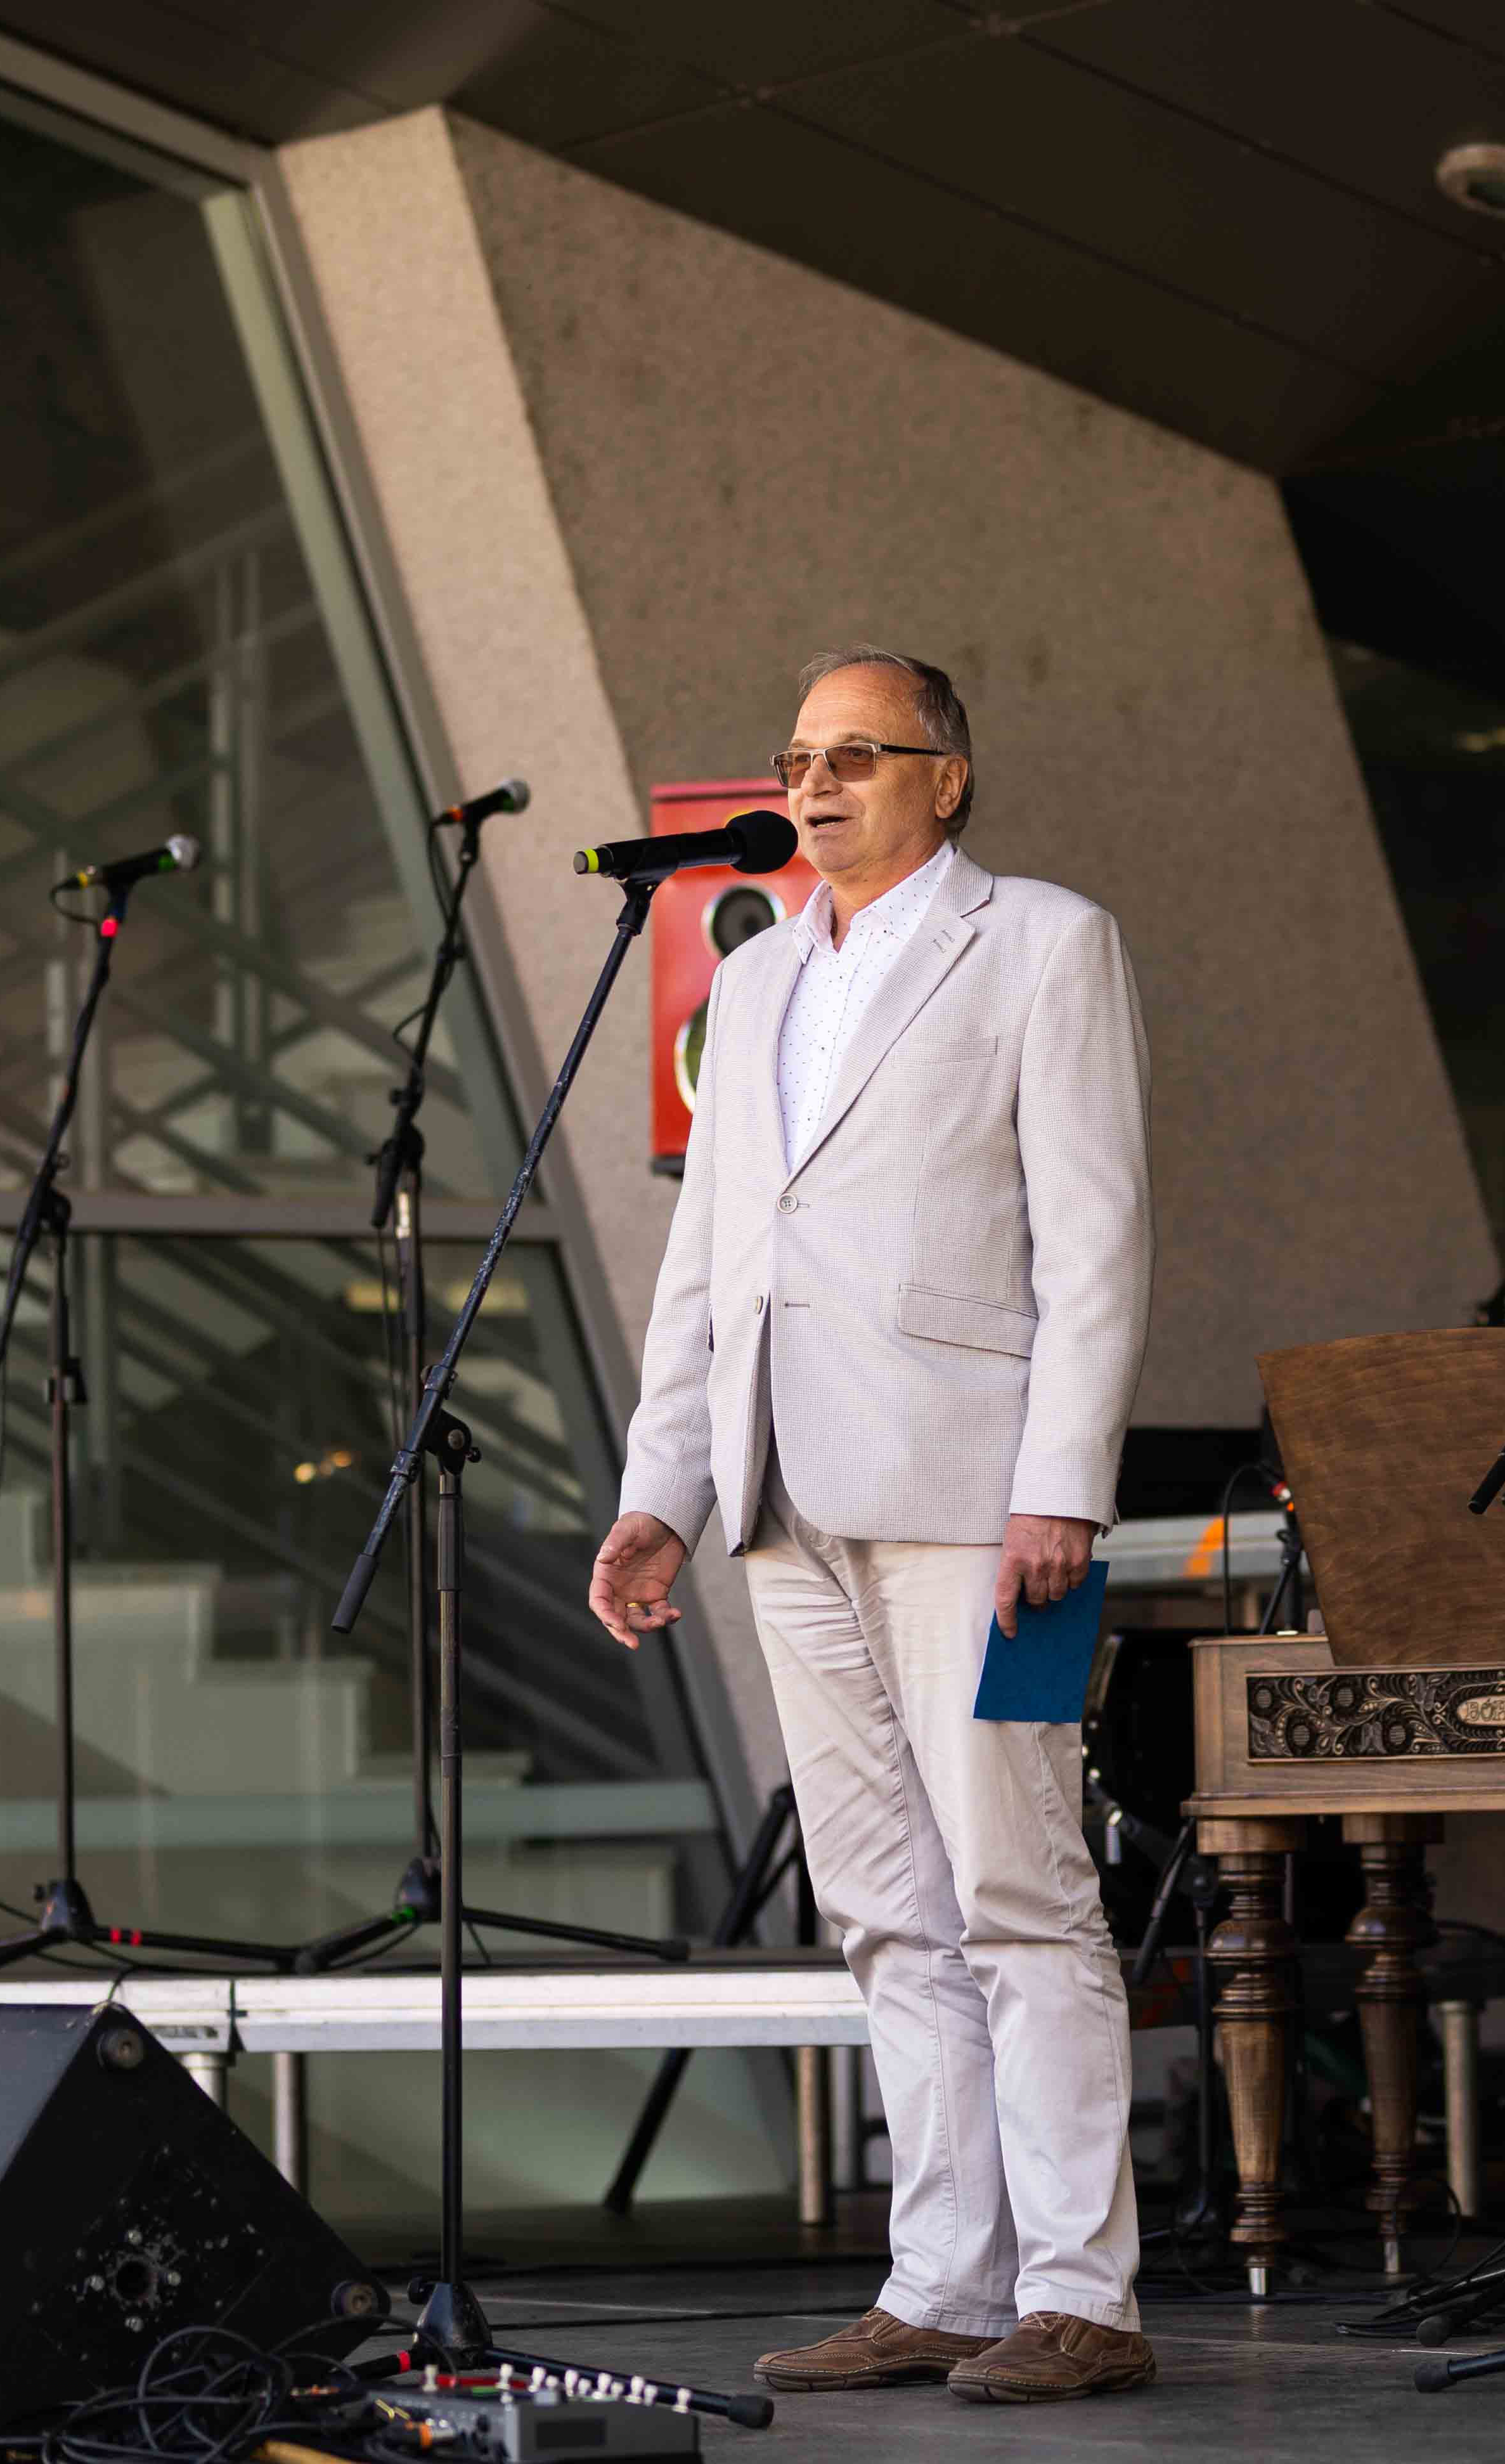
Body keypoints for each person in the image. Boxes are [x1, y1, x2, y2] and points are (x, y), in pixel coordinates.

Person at [585, 646, 1156, 2404]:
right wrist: (662, 1491)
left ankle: (1083, 2295)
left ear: (946, 778)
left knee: (1020, 1891)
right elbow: (707, 1264)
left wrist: (1062, 1482)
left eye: (856, 755)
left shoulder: (1042, 940)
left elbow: (1098, 1234)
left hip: (977, 1494)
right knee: (884, 1909)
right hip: (781, 1494)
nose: (815, 786)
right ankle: (943, 2283)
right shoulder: (754, 977)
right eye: (797, 760)